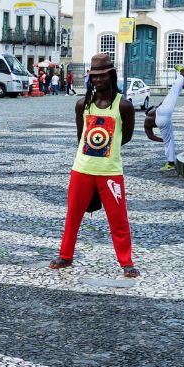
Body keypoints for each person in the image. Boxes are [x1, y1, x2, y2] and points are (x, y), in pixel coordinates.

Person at [50, 53, 139, 278]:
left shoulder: (124, 106)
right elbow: (81, 136)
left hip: (110, 172)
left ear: (111, 75)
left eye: (102, 76)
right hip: (81, 169)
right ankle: (65, 255)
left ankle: (126, 262)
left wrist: (109, 149)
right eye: (93, 76)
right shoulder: (83, 104)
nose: (97, 80)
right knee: (73, 215)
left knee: (118, 219)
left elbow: (125, 137)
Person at [144, 65, 184, 171]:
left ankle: (171, 163)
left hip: (162, 121)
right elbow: (172, 96)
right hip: (163, 115)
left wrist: (162, 139)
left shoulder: (148, 121)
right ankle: (182, 73)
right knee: (173, 93)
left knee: (169, 141)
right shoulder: (156, 109)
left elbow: (150, 136)